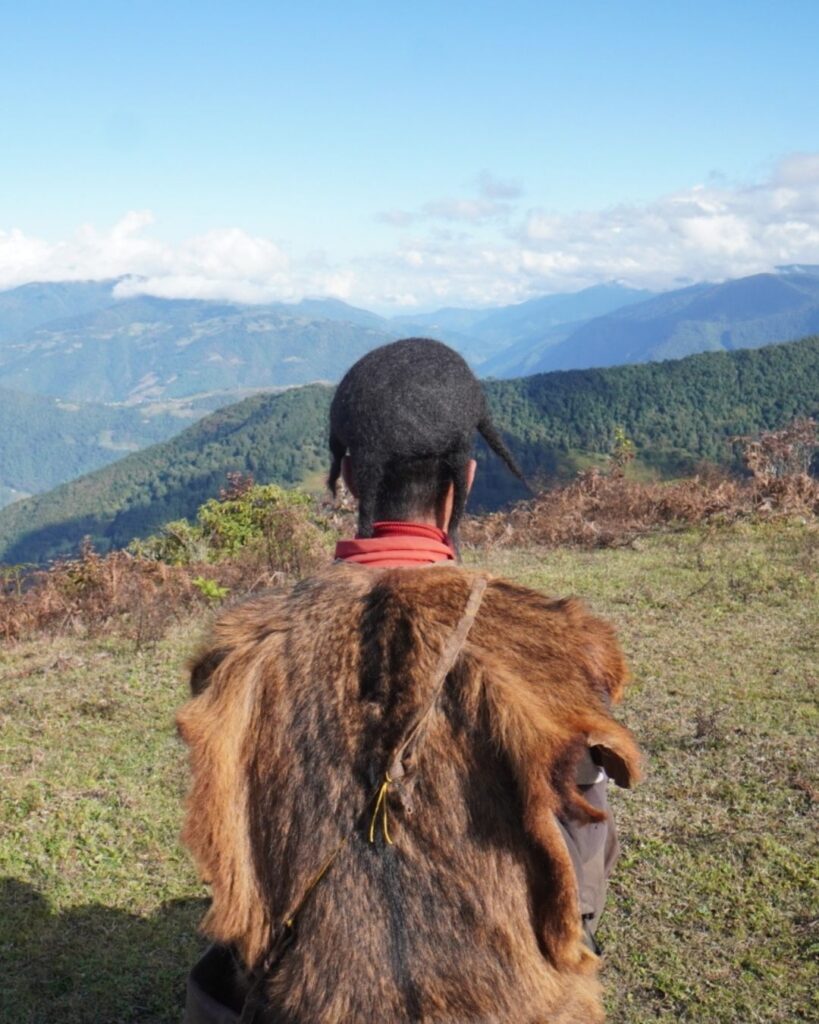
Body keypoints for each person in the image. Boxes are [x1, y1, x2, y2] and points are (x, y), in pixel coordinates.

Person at [179, 338, 640, 1024]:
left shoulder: (245, 655)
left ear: (349, 478)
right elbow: (579, 867)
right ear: (468, 478)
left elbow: (233, 861)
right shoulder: (551, 646)